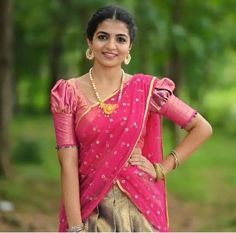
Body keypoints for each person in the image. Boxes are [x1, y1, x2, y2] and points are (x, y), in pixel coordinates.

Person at [50, 5, 212, 232]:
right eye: (103, 37)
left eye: (121, 39)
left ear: (129, 48)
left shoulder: (146, 90)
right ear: (89, 42)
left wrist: (162, 168)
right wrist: (76, 228)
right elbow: (67, 164)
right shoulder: (68, 93)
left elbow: (201, 127)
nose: (111, 46)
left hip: (139, 209)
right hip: (91, 208)